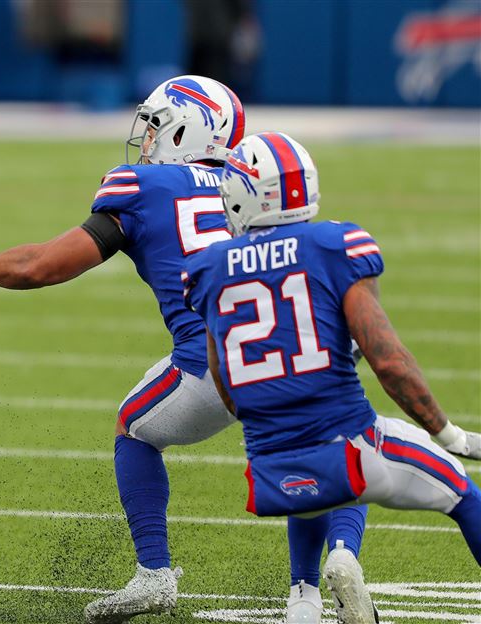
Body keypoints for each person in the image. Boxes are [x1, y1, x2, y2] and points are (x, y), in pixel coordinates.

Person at [0, 76, 368, 623]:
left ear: (187, 127)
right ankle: (315, 585)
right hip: (301, 343)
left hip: (214, 363)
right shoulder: (248, 179)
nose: (147, 135)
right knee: (327, 446)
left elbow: (41, 267)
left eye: (157, 123)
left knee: (133, 427)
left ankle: (154, 575)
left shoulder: (141, 187)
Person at [183, 132, 481, 621]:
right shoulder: (336, 244)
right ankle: (342, 553)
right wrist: (448, 432)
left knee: (315, 469)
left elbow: (227, 386)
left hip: (270, 465)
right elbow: (389, 362)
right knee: (461, 492)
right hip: (351, 449)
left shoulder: (208, 269)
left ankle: (303, 599)